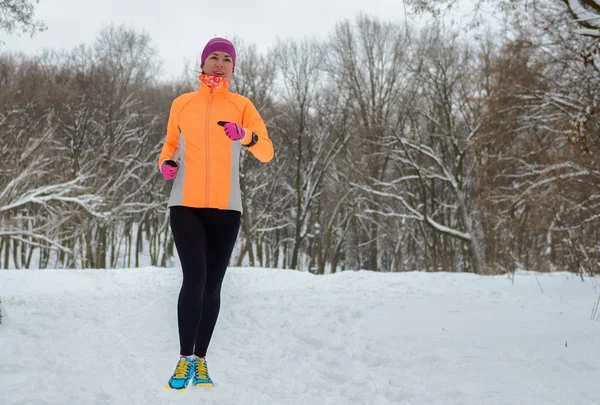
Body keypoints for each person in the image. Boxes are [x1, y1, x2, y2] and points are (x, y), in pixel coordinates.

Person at [158, 37, 274, 390]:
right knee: (194, 278)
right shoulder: (183, 103)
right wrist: (165, 162)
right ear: (203, 63)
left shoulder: (241, 105)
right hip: (186, 204)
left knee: (212, 285)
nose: (220, 63)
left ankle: (202, 361)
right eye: (214, 57)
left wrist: (246, 136)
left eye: (227, 58)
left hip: (226, 207)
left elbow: (267, 150)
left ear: (233, 67)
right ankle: (183, 360)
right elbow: (170, 145)